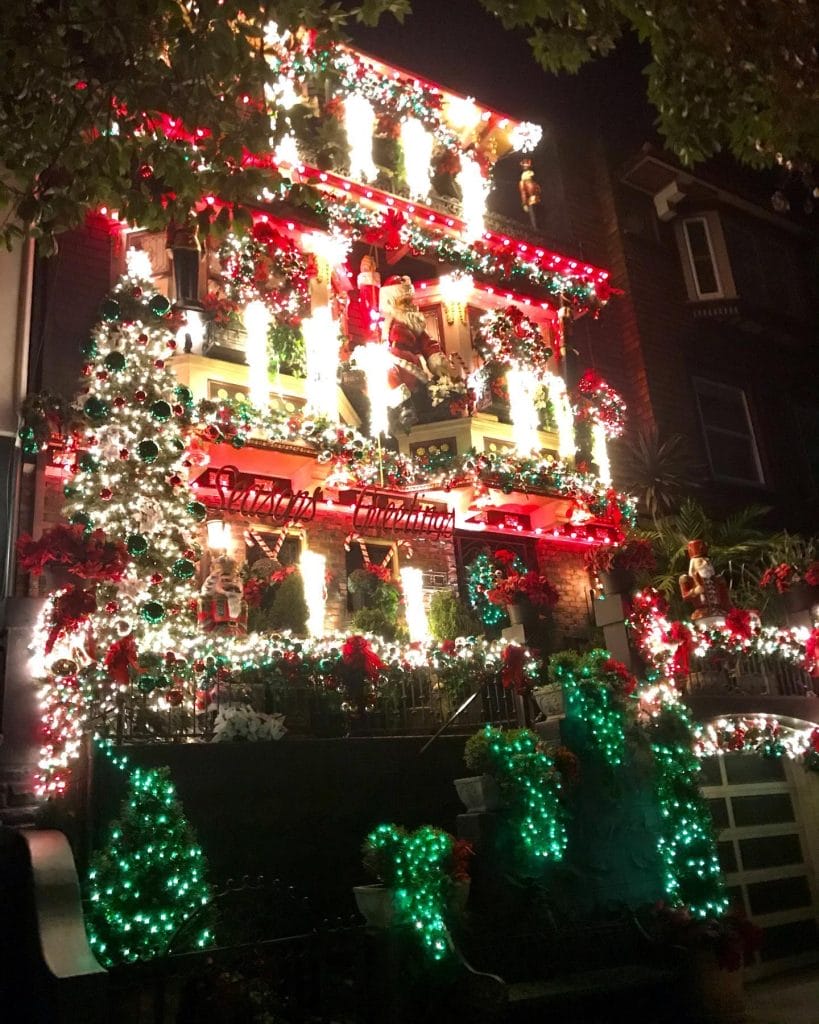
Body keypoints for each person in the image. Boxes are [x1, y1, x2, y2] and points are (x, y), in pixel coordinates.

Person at [679, 539, 731, 621]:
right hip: (701, 614)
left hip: (720, 613)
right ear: (693, 566)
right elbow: (685, 596)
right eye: (700, 562)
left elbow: (725, 599)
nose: (705, 564)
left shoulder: (718, 580)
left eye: (707, 562)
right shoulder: (687, 579)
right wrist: (695, 591)